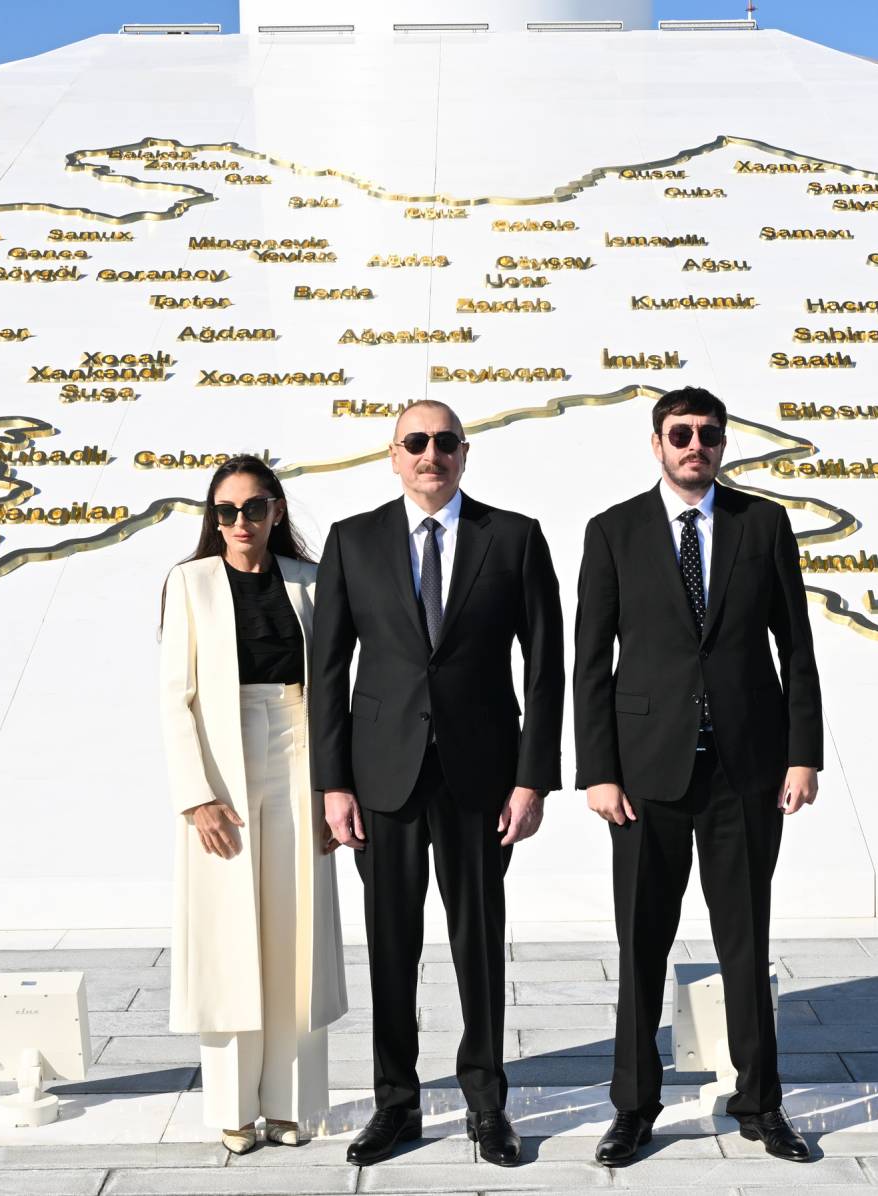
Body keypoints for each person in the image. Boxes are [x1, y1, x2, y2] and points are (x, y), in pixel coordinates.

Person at [309, 399, 564, 1167]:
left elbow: (547, 669)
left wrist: (533, 781)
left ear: (464, 453)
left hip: (481, 781)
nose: (431, 454)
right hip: (382, 778)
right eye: (415, 442)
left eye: (445, 442)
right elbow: (326, 672)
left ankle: (488, 1105)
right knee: (392, 947)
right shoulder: (352, 542)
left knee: (478, 945)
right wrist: (333, 783)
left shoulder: (514, 538)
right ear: (393, 456)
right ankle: (396, 1104)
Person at [573, 387, 824, 1166]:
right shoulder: (613, 531)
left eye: (708, 434)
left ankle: (761, 1102)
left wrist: (803, 753)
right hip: (645, 779)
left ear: (723, 444)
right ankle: (634, 1107)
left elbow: (798, 649)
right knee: (642, 944)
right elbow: (591, 662)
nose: (695, 445)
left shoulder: (763, 524)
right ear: (656, 443)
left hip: (746, 770)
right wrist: (598, 771)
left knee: (745, 942)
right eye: (680, 433)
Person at [158, 455, 347, 1156]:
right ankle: (235, 1108)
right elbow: (173, 698)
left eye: (255, 508)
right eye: (227, 511)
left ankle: (294, 1104)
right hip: (224, 768)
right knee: (230, 938)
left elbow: (334, 694)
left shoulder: (310, 580)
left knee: (295, 935)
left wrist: (335, 790)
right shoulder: (190, 584)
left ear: (276, 511)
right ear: (214, 518)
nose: (241, 523)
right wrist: (196, 797)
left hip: (299, 751)